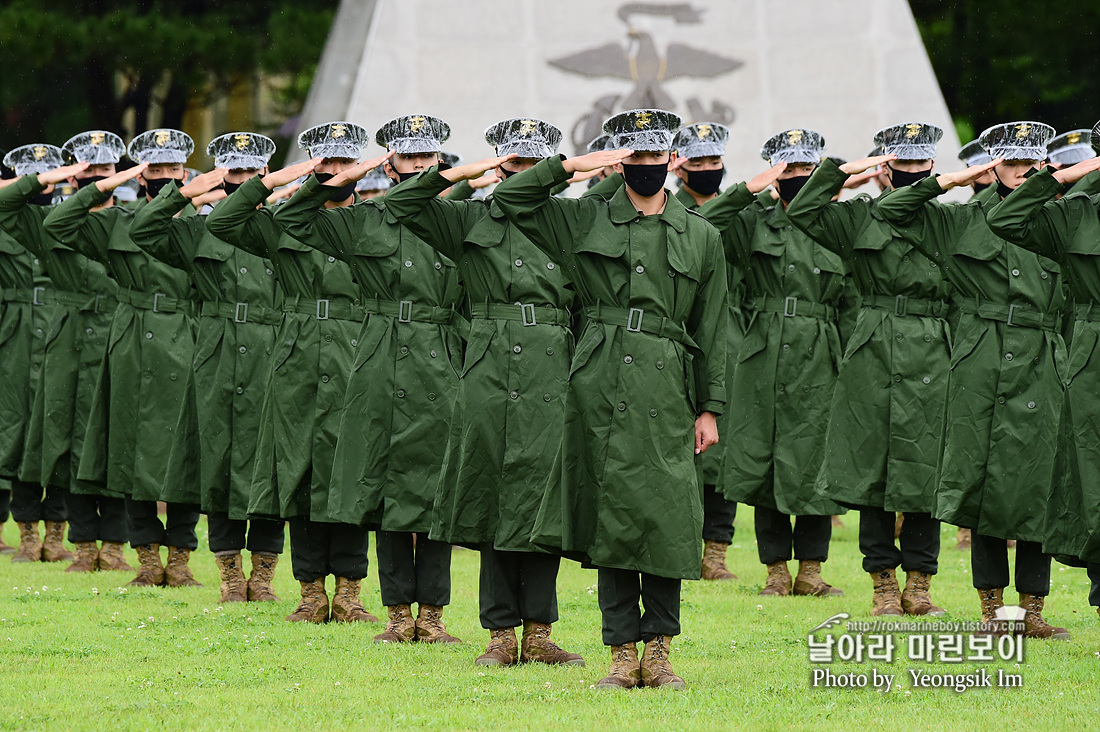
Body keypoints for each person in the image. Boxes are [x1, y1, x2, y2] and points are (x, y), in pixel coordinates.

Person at [494, 108, 728, 690]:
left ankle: (661, 649)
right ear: (620, 159)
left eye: (656, 156)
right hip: (600, 380)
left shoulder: (701, 234)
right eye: (635, 156)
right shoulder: (585, 220)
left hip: (670, 383)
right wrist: (570, 166)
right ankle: (623, 652)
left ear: (672, 159)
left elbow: (714, 325)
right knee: (615, 520)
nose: (647, 167)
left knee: (667, 518)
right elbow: (513, 202)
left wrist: (710, 406)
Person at [385, 117, 584, 666]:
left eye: (532, 164)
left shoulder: (573, 222)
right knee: (494, 495)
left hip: (552, 366)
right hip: (490, 365)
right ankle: (499, 632)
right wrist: (461, 175)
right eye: (514, 163)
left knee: (544, 499)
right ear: (500, 165)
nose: (523, 173)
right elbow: (401, 207)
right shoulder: (469, 217)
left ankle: (540, 631)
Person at [274, 114, 468, 646]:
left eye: (429, 157)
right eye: (409, 158)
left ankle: (432, 616)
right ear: (390, 162)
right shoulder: (370, 218)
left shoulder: (459, 217)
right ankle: (397, 614)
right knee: (383, 491)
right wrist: (345, 176)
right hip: (381, 359)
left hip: (441, 360)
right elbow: (293, 217)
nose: (421, 166)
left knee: (432, 494)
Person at [876, 121, 1069, 639]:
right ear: (991, 166)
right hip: (978, 355)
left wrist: (1061, 179)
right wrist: (953, 181)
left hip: (1042, 356)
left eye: (1031, 164)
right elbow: (889, 210)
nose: (1021, 173)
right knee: (980, 483)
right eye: (1010, 163)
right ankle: (991, 609)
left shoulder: (1058, 217)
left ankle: (1032, 609)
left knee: (1035, 483)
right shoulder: (958, 221)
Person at [206, 122, 381, 623]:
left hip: (355, 350)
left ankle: (349, 592)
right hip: (298, 357)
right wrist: (295, 177)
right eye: (326, 163)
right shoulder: (283, 222)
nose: (334, 174)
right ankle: (309, 593)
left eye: (344, 164)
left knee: (350, 473)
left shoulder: (374, 221)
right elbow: (222, 222)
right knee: (299, 471)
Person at [786, 123, 952, 616]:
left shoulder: (949, 221)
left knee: (927, 471)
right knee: (871, 472)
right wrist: (842, 171)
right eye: (901, 165)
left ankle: (920, 585)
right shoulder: (859, 219)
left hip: (932, 349)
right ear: (885, 167)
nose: (911, 174)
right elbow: (802, 211)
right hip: (873, 348)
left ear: (932, 168)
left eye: (920, 165)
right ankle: (882, 585)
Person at [128, 132, 288, 603]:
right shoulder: (197, 230)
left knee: (268, 466)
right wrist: (188, 191)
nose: (241, 182)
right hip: (216, 353)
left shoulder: (282, 225)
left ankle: (263, 577)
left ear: (264, 176)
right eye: (231, 173)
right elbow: (144, 231)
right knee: (215, 463)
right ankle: (231, 579)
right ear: (218, 174)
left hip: (270, 352)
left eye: (249, 174)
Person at [44, 129, 203, 588]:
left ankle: (180, 559)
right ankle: (148, 560)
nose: (165, 177)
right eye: (155, 169)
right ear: (141, 172)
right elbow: (56, 228)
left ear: (185, 171)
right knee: (132, 451)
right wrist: (104, 185)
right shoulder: (119, 221)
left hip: (186, 338)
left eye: (173, 168)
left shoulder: (202, 220)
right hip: (132, 342)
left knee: (182, 453)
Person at [699, 128, 846, 598]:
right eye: (790, 168)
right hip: (762, 349)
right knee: (764, 457)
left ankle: (811, 570)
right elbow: (703, 224)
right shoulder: (754, 220)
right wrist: (749, 189)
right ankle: (776, 570)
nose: (798, 177)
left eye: (806, 168)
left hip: (821, 350)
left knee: (815, 457)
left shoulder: (838, 220)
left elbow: (856, 296)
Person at [0, 132, 132, 572]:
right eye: (87, 171)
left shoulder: (134, 220)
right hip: (65, 337)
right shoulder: (52, 224)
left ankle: (112, 546)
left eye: (105, 172)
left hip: (118, 334)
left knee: (113, 437)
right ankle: (70, 541)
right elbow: (6, 206)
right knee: (58, 438)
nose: (97, 180)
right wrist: (48, 178)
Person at [984, 133, 1100, 620]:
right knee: (1094, 481)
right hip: (1094, 355)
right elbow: (1005, 218)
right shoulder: (1078, 213)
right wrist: (1062, 175)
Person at [0, 144, 71, 563]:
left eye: (50, 173)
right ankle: (27, 533)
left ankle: (57, 534)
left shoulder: (68, 218)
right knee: (18, 431)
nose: (43, 183)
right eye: (34, 175)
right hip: (13, 335)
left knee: (58, 428)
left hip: (61, 325)